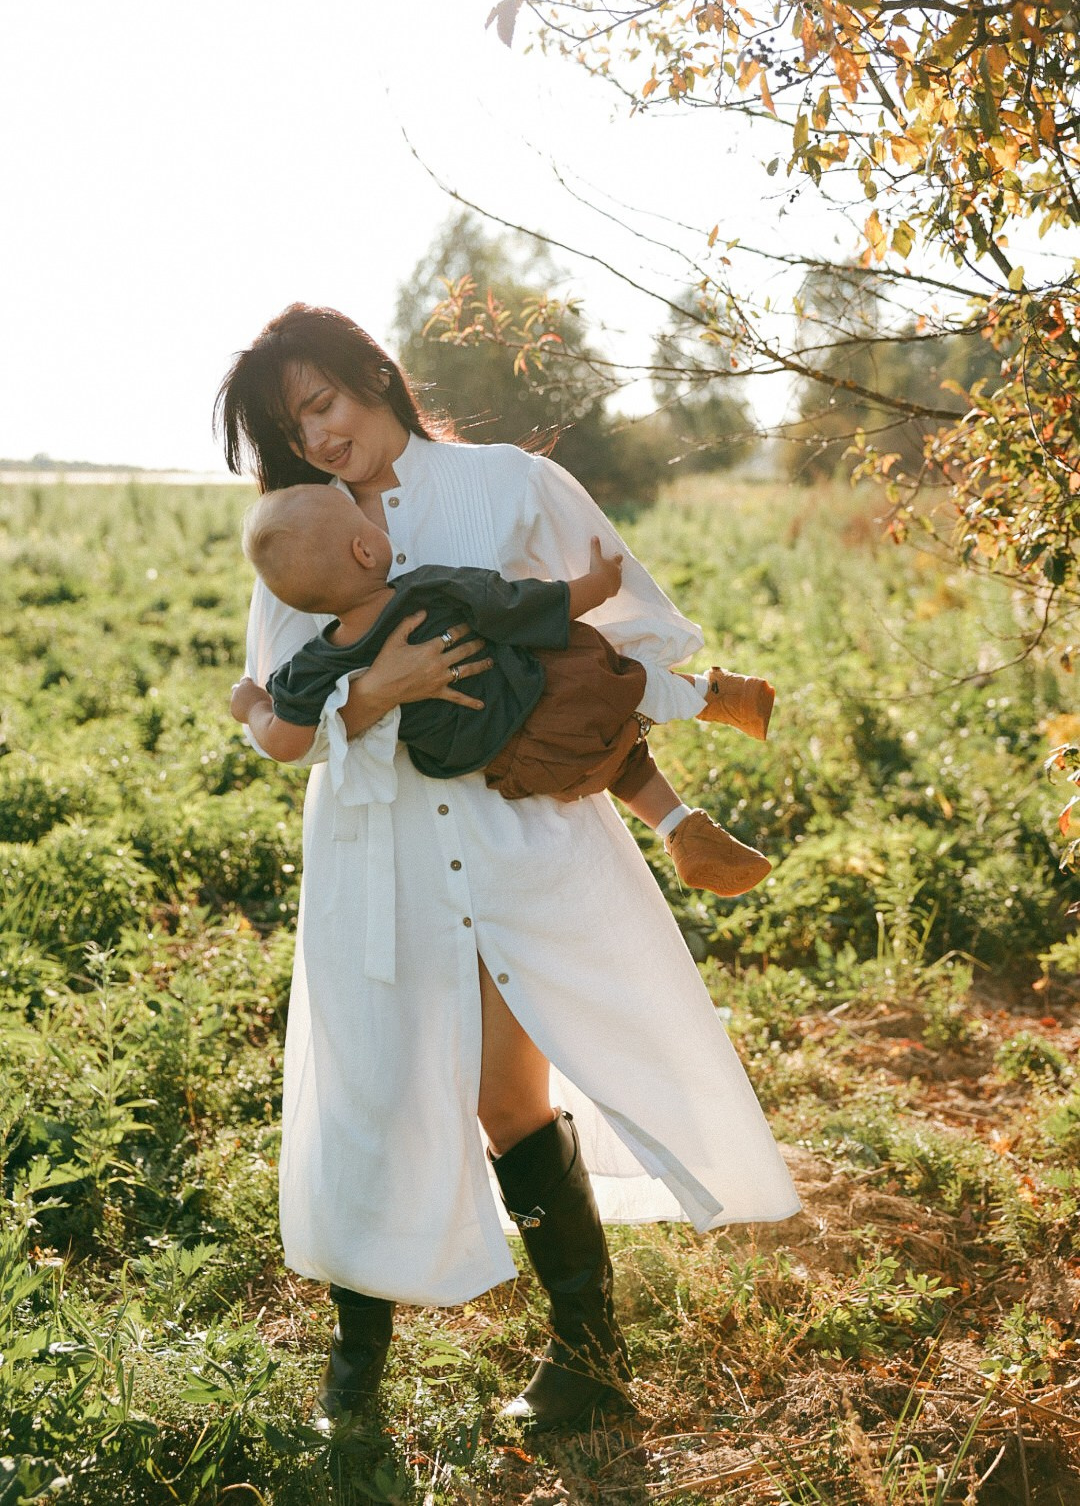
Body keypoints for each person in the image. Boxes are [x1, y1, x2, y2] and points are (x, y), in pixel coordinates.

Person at [217, 303, 800, 1433]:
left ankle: (586, 1357)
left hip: (519, 834)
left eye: (322, 405)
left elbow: (625, 635)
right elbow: (274, 719)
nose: (319, 441)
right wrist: (375, 692)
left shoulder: (511, 486)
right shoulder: (297, 526)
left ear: (373, 374)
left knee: (506, 1094)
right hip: (374, 846)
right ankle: (356, 1383)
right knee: (373, 1091)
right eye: (294, 434)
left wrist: (637, 714)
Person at [230, 480, 776, 899]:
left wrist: (253, 707)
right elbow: (521, 603)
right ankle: (712, 695)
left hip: (523, 764)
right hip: (551, 696)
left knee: (619, 765)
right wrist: (597, 585)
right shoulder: (431, 588)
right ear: (366, 552)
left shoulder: (311, 668)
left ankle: (683, 832)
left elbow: (285, 742)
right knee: (612, 674)